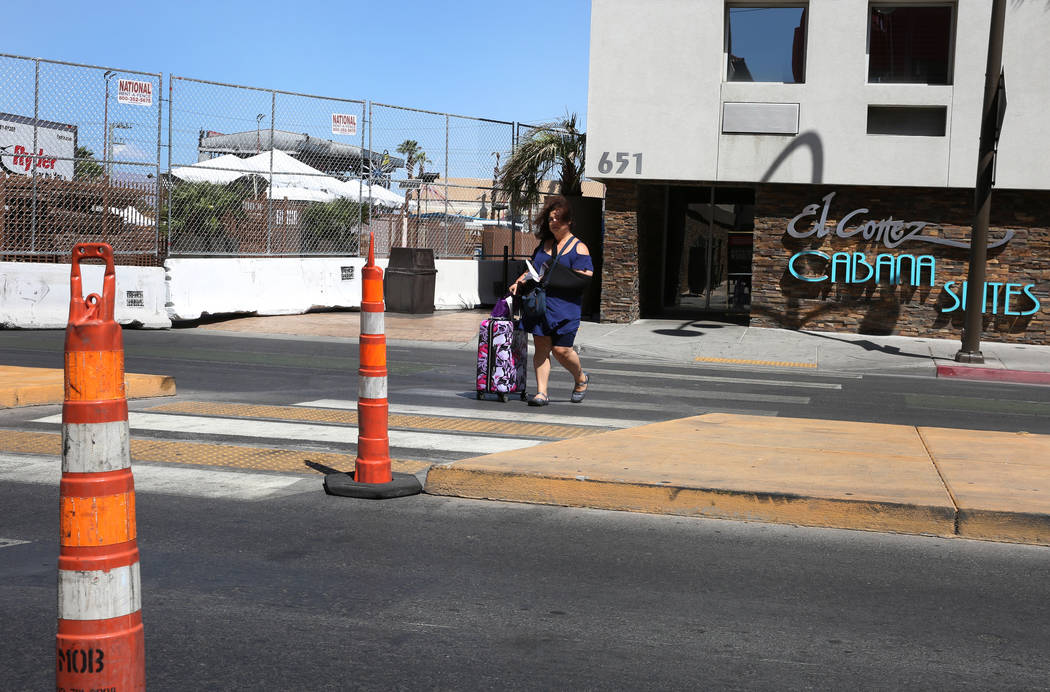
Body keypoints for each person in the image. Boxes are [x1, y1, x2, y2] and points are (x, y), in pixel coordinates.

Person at [508, 195, 593, 406]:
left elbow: (584, 278)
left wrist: (556, 279)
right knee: (542, 348)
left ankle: (581, 378)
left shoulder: (579, 247)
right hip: (540, 306)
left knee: (562, 351)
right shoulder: (543, 245)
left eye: (558, 218)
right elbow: (534, 270)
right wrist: (519, 281)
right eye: (550, 219)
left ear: (569, 221)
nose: (553, 222)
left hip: (566, 308)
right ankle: (542, 393)